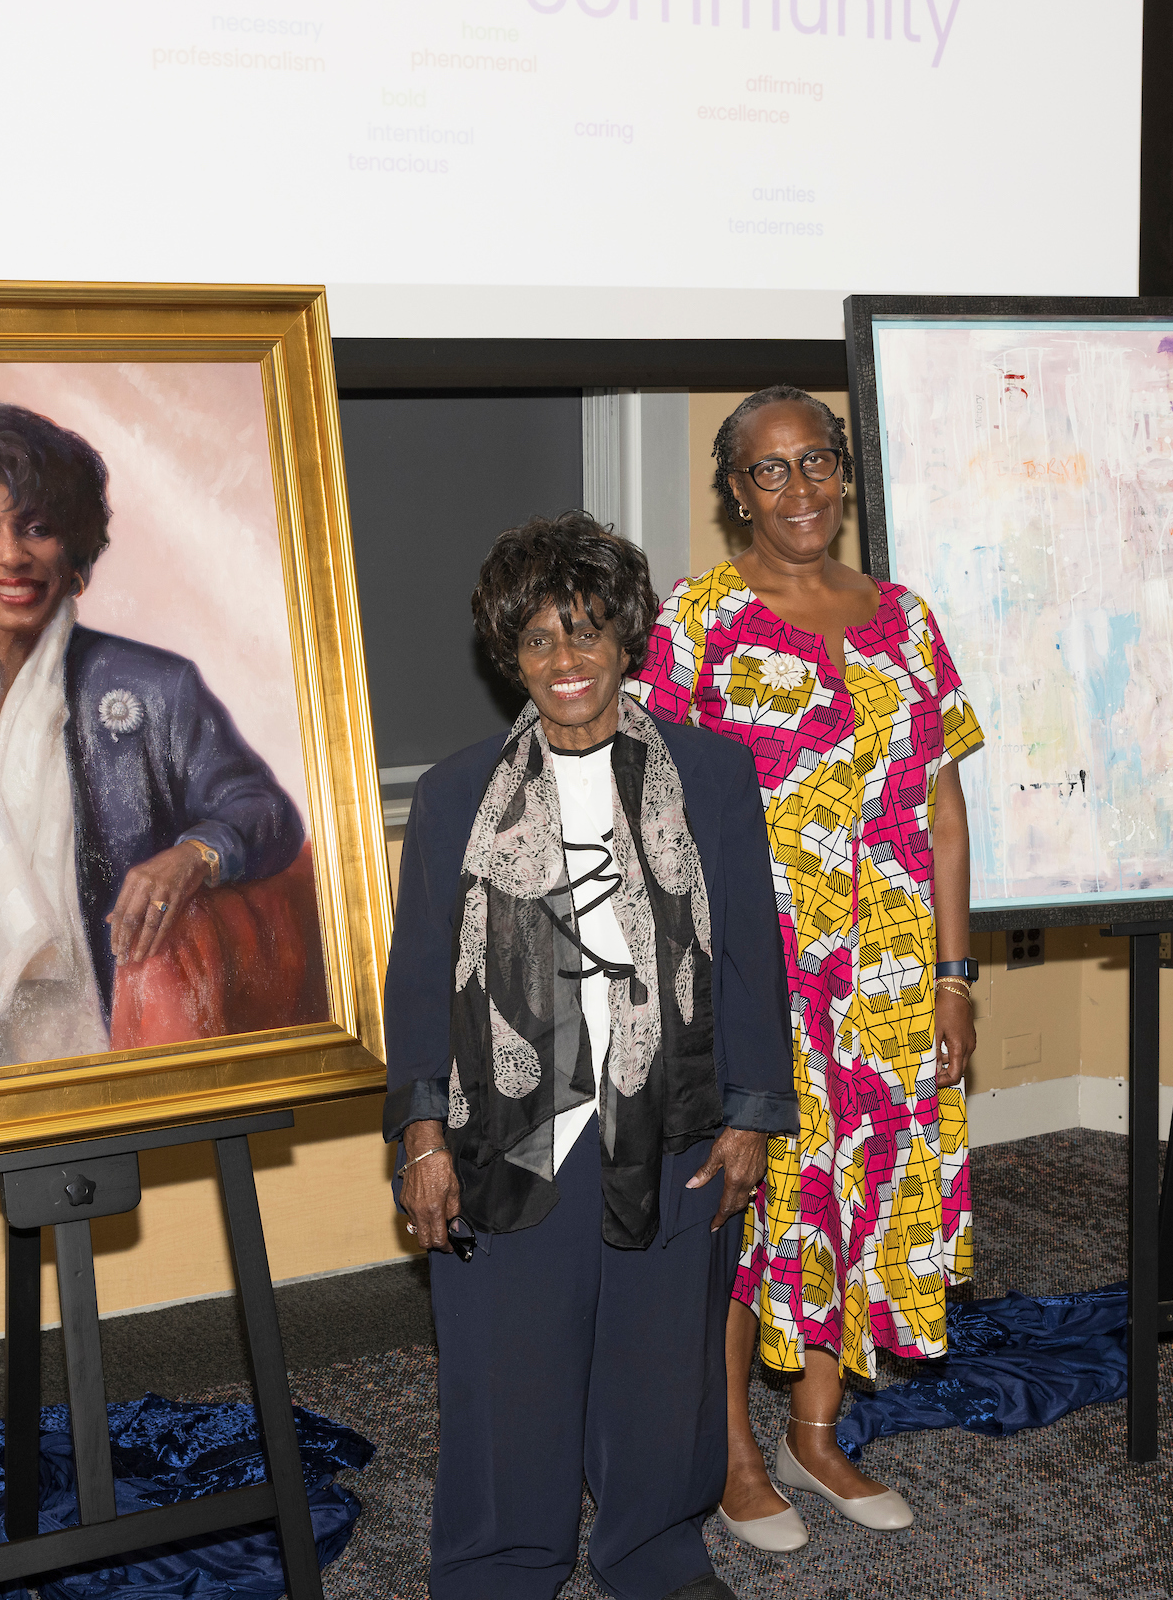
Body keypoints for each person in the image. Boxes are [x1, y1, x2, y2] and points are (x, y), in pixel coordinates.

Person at [383, 511, 797, 1600]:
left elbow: (752, 950)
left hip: (673, 1117)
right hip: (507, 1128)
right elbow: (422, 973)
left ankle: (653, 1547)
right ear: (507, 656)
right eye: (536, 640)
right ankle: (495, 1562)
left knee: (663, 1362)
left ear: (626, 639)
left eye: (585, 631)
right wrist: (420, 1131)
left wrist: (752, 1113)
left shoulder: (711, 774)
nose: (564, 661)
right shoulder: (456, 792)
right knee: (504, 1367)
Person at [631, 387, 985, 1550]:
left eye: (817, 463)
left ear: (844, 472)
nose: (800, 490)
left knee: (864, 1185)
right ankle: (732, 1450)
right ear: (736, 489)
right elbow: (648, 803)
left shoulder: (908, 617)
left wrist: (953, 973)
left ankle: (817, 1430)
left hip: (885, 966)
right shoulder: (697, 619)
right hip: (758, 962)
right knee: (759, 1200)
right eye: (769, 471)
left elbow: (941, 806)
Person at [0, 401, 303, 1082]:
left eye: (37, 527)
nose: (12, 554)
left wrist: (193, 854)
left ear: (74, 552)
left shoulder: (154, 687)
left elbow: (265, 812)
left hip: (119, 1054)